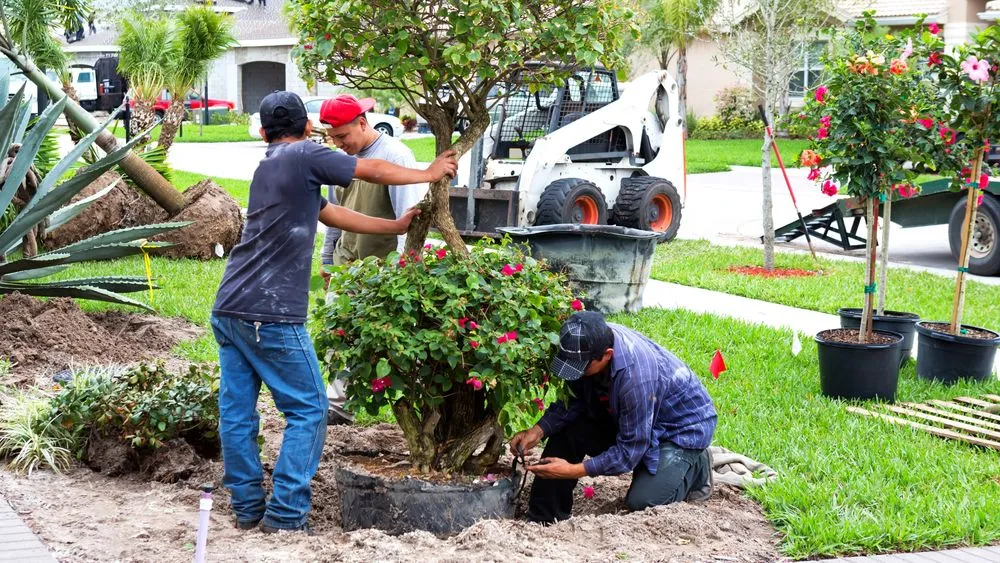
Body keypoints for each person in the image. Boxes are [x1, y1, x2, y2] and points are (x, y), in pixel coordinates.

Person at [210, 91, 457, 534]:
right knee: (309, 408)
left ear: (265, 132)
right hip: (271, 313)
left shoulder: (269, 165)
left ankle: (247, 507)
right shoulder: (304, 154)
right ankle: (285, 516)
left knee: (237, 412)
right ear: (308, 128)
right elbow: (372, 168)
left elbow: (331, 213)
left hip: (229, 307)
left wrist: (395, 227)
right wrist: (428, 171)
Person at [509, 311, 718, 524]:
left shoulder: (635, 379)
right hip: (635, 415)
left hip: (680, 428)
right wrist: (537, 431)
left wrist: (572, 471)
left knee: (643, 501)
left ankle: (696, 465)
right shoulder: (586, 345)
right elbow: (573, 402)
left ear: (607, 354)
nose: (575, 373)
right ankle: (546, 516)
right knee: (568, 429)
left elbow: (630, 451)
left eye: (581, 368)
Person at [317, 94, 428, 425]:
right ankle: (337, 406)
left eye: (343, 137)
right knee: (338, 335)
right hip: (346, 264)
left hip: (382, 270)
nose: (339, 144)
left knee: (391, 346)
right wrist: (327, 261)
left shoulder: (395, 157)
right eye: (333, 139)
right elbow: (335, 216)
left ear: (362, 123)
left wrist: (403, 272)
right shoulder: (341, 162)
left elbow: (412, 222)